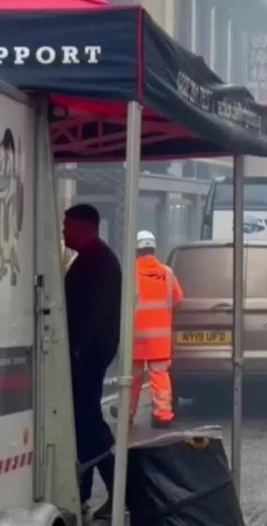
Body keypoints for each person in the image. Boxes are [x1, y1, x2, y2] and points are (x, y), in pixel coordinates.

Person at [62, 203, 121, 519]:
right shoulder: (89, 259)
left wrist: (78, 349)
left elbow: (95, 313)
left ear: (84, 226)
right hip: (87, 352)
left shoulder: (98, 262)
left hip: (88, 354)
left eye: (67, 224)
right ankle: (83, 490)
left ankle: (119, 486)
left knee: (89, 422)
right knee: (82, 422)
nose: (62, 230)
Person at [129, 230, 183, 428]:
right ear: (154, 249)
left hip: (135, 336)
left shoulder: (131, 272)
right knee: (159, 375)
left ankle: (127, 413)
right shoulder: (167, 272)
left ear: (136, 249)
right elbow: (178, 298)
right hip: (160, 338)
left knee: (132, 376)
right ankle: (162, 414)